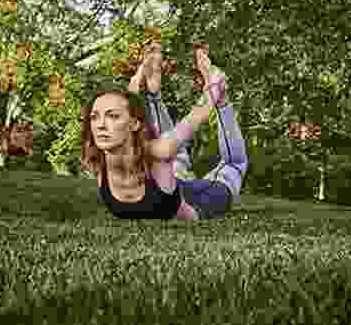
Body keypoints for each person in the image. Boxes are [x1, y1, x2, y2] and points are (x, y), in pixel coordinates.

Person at [81, 42, 248, 219]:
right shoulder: (96, 158)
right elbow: (130, 118)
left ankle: (160, 96)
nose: (100, 125)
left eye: (111, 116)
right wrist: (138, 80)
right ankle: (155, 95)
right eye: (94, 117)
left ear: (134, 123)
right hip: (173, 184)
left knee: (220, 163)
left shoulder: (157, 151)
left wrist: (214, 86)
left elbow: (195, 117)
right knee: (178, 164)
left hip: (200, 198)